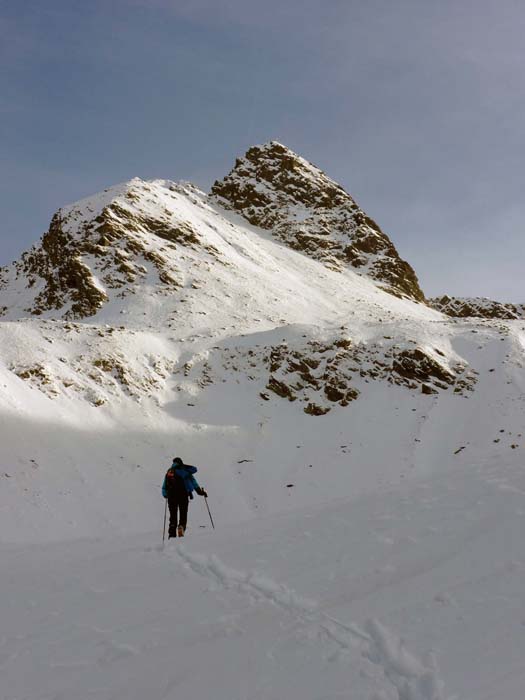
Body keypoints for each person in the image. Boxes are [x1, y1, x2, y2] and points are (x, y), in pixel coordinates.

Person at [162, 457, 207, 538]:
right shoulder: (185, 471)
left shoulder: (169, 472)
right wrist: (200, 492)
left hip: (171, 496)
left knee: (173, 516)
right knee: (183, 514)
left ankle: (172, 535)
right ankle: (181, 527)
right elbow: (194, 482)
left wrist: (165, 494)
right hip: (183, 495)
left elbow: (164, 485)